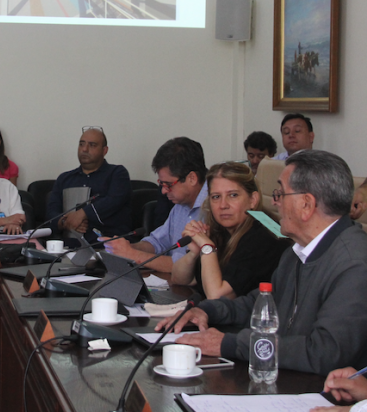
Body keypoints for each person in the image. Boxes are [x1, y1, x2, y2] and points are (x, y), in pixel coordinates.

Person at [156, 150, 367, 376]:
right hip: (283, 378)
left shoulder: (354, 264)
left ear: (306, 204)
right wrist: (206, 311)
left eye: (280, 194)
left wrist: (229, 344)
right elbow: (261, 304)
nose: (275, 204)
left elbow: (326, 352)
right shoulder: (297, 252)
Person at [170, 162, 290, 300]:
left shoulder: (263, 237)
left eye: (233, 195)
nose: (223, 205)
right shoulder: (221, 230)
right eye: (216, 197)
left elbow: (217, 297)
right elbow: (179, 279)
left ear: (253, 199)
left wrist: (207, 247)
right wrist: (194, 253)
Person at [107, 137, 208, 273]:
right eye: (161, 184)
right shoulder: (180, 205)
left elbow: (187, 267)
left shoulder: (217, 208)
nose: (163, 191)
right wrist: (124, 248)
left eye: (168, 184)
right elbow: (158, 242)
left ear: (192, 178)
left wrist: (132, 255)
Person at [46, 127, 132, 244]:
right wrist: (65, 223)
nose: (85, 149)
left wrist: (83, 214)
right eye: (81, 144)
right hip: (68, 247)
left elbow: (113, 201)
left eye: (92, 145)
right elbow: (52, 212)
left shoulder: (117, 173)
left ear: (104, 150)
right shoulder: (65, 179)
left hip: (107, 245)